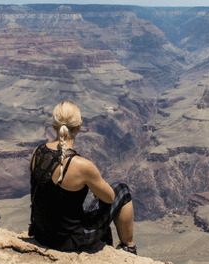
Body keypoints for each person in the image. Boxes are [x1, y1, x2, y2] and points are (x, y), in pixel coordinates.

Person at [29, 101, 137, 254]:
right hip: (68, 241)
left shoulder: (37, 153)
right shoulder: (81, 165)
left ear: (54, 125)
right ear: (79, 125)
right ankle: (129, 248)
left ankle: (108, 246)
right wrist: (95, 185)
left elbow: (44, 191)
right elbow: (110, 198)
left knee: (91, 213)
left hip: (41, 236)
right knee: (122, 190)